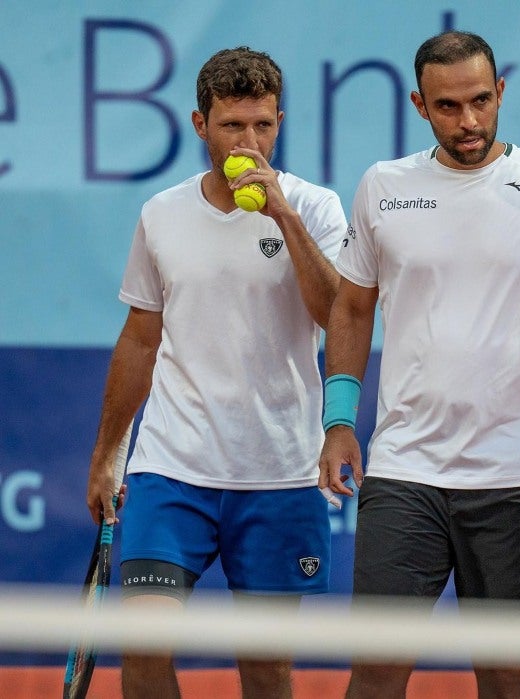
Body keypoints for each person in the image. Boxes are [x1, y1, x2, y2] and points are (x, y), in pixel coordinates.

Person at [318, 30, 520, 699]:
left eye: (479, 101)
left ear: (500, 93)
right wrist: (339, 419)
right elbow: (352, 310)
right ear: (419, 104)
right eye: (447, 106)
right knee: (376, 672)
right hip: (405, 471)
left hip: (516, 479)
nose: (468, 121)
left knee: (507, 675)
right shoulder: (383, 186)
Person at [86, 47, 346, 698]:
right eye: (233, 126)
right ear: (201, 125)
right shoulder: (160, 215)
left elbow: (337, 315)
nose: (250, 142)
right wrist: (108, 454)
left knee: (265, 672)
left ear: (280, 122)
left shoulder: (315, 208)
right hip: (172, 467)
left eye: (263, 125)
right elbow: (140, 341)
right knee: (143, 658)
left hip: (280, 470)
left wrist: (282, 214)